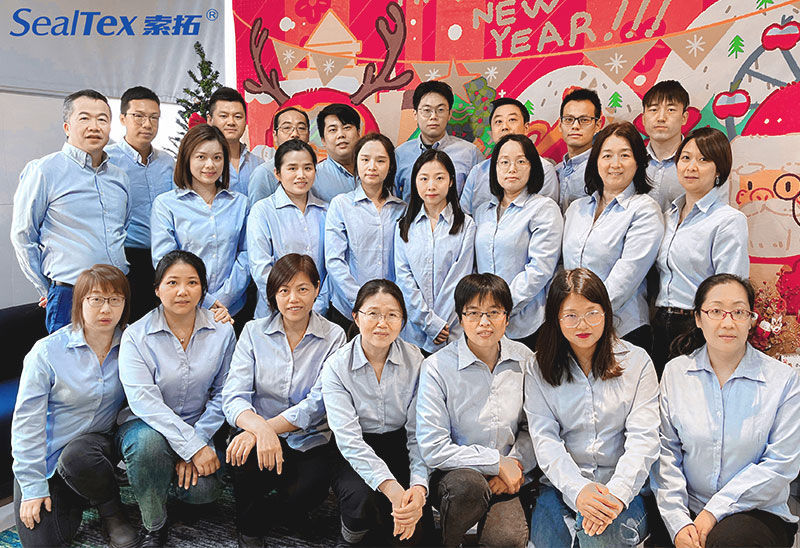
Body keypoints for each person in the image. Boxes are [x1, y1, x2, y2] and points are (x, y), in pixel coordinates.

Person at [651, 273, 800, 548]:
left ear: (751, 319)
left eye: (739, 312)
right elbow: (666, 454)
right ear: (698, 318)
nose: (728, 322)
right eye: (716, 311)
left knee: (730, 542)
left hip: (756, 511)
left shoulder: (783, 380)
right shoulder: (676, 373)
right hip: (688, 508)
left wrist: (713, 511)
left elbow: (781, 464)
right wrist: (677, 521)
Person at [525, 268, 659, 548]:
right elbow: (545, 440)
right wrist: (580, 491)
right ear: (556, 319)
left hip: (623, 491)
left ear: (606, 312)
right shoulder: (537, 367)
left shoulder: (637, 362)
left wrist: (614, 495)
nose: (583, 324)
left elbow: (643, 440)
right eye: (571, 315)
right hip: (562, 488)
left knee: (597, 538)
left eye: (592, 313)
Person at [223, 254, 345, 547]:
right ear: (273, 294)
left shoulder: (334, 337)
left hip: (308, 437)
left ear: (317, 289)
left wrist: (266, 430)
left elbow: (318, 403)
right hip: (256, 433)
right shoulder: (253, 332)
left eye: (303, 289)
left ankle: (284, 511)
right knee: (242, 458)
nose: (293, 299)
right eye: (284, 290)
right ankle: (249, 529)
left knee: (309, 489)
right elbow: (234, 395)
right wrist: (259, 431)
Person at [12, 265, 137, 548]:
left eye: (115, 299)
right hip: (48, 458)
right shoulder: (47, 352)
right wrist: (32, 487)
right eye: (96, 299)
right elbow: (26, 424)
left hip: (94, 450)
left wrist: (217, 312)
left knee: (79, 455)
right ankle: (79, 494)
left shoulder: (134, 344)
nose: (106, 308)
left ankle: (110, 510)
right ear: (79, 302)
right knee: (43, 543)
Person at [116, 250, 236, 547]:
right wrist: (191, 447)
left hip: (200, 426)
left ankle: (163, 482)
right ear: (157, 289)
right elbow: (144, 402)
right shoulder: (136, 336)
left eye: (192, 282)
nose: (182, 291)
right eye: (172, 283)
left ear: (203, 289)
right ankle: (154, 525)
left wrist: (199, 439)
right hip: (147, 426)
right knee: (148, 446)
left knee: (203, 492)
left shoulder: (222, 331)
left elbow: (225, 393)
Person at [416, 273, 534, 547]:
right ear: (460, 318)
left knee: (506, 541)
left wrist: (514, 464)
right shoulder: (436, 368)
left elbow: (534, 427)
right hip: (456, 476)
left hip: (508, 475)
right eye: (473, 313)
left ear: (507, 317)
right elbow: (433, 446)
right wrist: (495, 462)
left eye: (493, 312)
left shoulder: (526, 360)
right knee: (468, 488)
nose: (484, 322)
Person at [322, 280, 431, 546]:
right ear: (356, 317)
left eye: (392, 315)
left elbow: (419, 432)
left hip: (400, 444)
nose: (382, 323)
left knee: (416, 534)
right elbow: (349, 440)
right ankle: (350, 535)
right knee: (361, 500)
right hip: (354, 448)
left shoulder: (416, 360)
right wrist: (391, 488)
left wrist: (418, 487)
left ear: (402, 321)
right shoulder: (336, 366)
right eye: (373, 314)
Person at [11, 89, 131, 333]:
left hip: (117, 292)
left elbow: (123, 227)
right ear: (67, 127)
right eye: (84, 118)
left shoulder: (120, 177)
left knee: (116, 357)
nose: (94, 126)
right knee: (68, 358)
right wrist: (48, 288)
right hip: (70, 293)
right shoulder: (44, 170)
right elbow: (23, 235)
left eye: (102, 119)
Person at [562, 121, 664, 355]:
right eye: (607, 155)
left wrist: (587, 317)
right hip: (573, 331)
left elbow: (626, 276)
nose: (615, 164)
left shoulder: (644, 210)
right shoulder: (577, 209)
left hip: (622, 329)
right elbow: (563, 268)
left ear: (638, 162)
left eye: (625, 155)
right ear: (596, 161)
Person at [652, 127, 749, 373]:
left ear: (719, 170)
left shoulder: (727, 220)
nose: (691, 167)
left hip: (698, 327)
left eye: (703, 160)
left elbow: (730, 287)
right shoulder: (668, 216)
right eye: (685, 158)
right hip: (660, 322)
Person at [473, 133, 563, 348]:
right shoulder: (483, 211)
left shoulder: (543, 208)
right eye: (504, 162)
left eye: (521, 161)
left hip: (527, 322)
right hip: (484, 322)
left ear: (533, 167)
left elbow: (540, 268)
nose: (511, 169)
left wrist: (502, 307)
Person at [150, 124, 246, 321]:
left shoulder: (240, 203)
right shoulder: (166, 204)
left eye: (217, 158)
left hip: (232, 309)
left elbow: (246, 255)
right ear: (187, 159)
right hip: (183, 306)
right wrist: (207, 301)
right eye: (201, 157)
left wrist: (224, 298)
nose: (210, 165)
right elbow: (164, 260)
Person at [395, 149, 476, 353]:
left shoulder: (466, 225)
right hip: (413, 332)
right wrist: (428, 322)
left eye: (439, 178)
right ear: (415, 182)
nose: (431, 186)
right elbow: (404, 279)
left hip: (451, 330)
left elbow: (459, 278)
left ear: (451, 181)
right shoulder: (404, 226)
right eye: (424, 178)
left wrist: (439, 325)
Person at [107, 86, 175, 321]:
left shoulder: (167, 162)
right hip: (127, 257)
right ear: (122, 118)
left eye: (154, 117)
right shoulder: (107, 160)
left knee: (163, 323)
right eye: (139, 116)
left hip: (164, 256)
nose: (147, 124)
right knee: (129, 324)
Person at [326, 133, 406, 329]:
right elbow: (334, 260)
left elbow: (406, 263)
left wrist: (390, 303)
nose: (372, 166)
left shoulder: (402, 209)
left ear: (390, 166)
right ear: (356, 162)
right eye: (365, 159)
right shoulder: (341, 205)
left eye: (380, 160)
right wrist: (362, 302)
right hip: (348, 309)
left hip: (390, 311)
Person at [248, 139, 329, 318]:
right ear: (277, 173)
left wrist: (317, 306)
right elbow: (260, 267)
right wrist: (289, 304)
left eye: (307, 168)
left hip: (319, 314)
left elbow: (331, 266)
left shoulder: (327, 211)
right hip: (274, 314)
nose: (301, 175)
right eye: (292, 168)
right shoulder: (263, 211)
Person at [460, 97, 559, 215]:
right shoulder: (478, 171)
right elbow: (464, 216)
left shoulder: (544, 169)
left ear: (526, 128)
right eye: (498, 122)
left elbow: (546, 213)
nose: (505, 127)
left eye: (512, 120)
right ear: (491, 131)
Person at [395, 81, 483, 201]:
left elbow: (481, 199)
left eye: (440, 110)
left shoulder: (470, 153)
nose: (433, 117)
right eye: (427, 110)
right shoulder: (400, 155)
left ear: (449, 114)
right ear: (415, 114)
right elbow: (392, 201)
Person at [641, 80, 690, 211]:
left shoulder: (700, 164)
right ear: (643, 119)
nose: (661, 118)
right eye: (653, 109)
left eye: (671, 110)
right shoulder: (632, 161)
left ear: (684, 117)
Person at [207, 86, 264, 197]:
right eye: (224, 116)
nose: (231, 122)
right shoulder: (203, 165)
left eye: (237, 117)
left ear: (245, 121)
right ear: (210, 120)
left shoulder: (259, 164)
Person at [248, 107, 310, 206]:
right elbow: (258, 212)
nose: (295, 134)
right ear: (275, 135)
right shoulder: (264, 174)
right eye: (287, 128)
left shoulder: (315, 172)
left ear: (308, 134)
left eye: (301, 128)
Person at [556, 88, 603, 212]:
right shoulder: (555, 171)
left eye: (584, 120)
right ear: (560, 125)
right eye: (568, 119)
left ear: (598, 125)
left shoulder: (602, 169)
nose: (575, 126)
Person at [314, 103, 361, 202]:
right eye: (333, 130)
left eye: (347, 127)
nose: (341, 135)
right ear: (323, 140)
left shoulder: (374, 169)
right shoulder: (314, 177)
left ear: (358, 133)